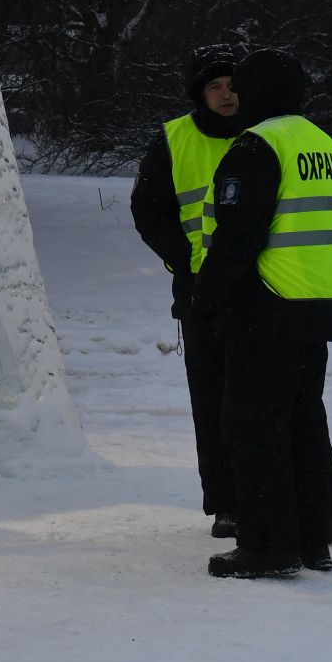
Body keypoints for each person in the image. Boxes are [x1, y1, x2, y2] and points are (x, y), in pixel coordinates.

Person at [195, 49, 332, 578]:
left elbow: (239, 235)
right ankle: (313, 541)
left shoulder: (258, 145)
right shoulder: (321, 142)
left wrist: (208, 297)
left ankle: (267, 546)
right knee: (303, 425)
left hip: (268, 307)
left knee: (253, 429)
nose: (235, 95)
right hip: (319, 303)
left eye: (242, 86)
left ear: (260, 91)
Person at [131, 44, 245, 537]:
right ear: (199, 93)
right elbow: (148, 210)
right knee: (212, 401)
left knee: (269, 401)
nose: (226, 95)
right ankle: (225, 502)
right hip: (200, 294)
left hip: (263, 289)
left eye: (232, 84)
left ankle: (285, 497)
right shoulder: (174, 138)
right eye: (214, 86)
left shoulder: (265, 133)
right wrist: (184, 261)